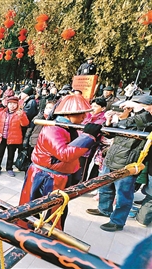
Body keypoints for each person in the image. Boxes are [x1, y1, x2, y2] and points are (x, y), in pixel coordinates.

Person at [19, 94, 102, 230]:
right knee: (41, 210)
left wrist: (96, 136)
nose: (83, 117)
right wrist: (88, 136)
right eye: (81, 114)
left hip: (59, 176)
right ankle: (36, 236)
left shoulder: (70, 127)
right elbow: (65, 154)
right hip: (45, 178)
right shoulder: (53, 129)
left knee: (57, 211)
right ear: (69, 114)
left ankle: (47, 234)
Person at [86, 95, 152, 232]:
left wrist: (138, 109)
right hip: (112, 157)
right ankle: (104, 209)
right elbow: (113, 132)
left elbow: (145, 122)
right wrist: (109, 121)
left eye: (139, 104)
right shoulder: (133, 117)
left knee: (123, 195)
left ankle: (117, 221)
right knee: (105, 187)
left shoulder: (147, 120)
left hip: (128, 163)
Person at [0, 96, 29, 177]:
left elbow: (25, 124)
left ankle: (9, 168)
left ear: (17, 105)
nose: (12, 105)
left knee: (11, 155)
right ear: (7, 104)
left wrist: (21, 116)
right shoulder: (2, 112)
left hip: (13, 138)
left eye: (14, 104)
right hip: (1, 137)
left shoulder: (20, 113)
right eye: (10, 103)